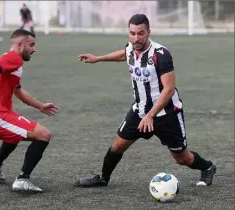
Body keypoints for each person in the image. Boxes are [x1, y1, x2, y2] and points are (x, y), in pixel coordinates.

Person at [75, 14, 216, 187]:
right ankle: (103, 178)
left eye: (141, 33)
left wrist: (150, 115)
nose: (136, 38)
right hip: (140, 111)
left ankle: (208, 167)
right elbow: (124, 54)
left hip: (166, 114)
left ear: (149, 32)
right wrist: (98, 58)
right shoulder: (131, 48)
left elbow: (169, 89)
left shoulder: (160, 54)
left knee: (181, 158)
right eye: (132, 33)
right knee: (117, 146)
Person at [0, 29, 58, 192]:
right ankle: (22, 179)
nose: (34, 49)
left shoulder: (12, 63)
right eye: (31, 45)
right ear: (20, 45)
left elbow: (18, 90)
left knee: (17, 134)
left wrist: (40, 105)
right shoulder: (14, 58)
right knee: (43, 134)